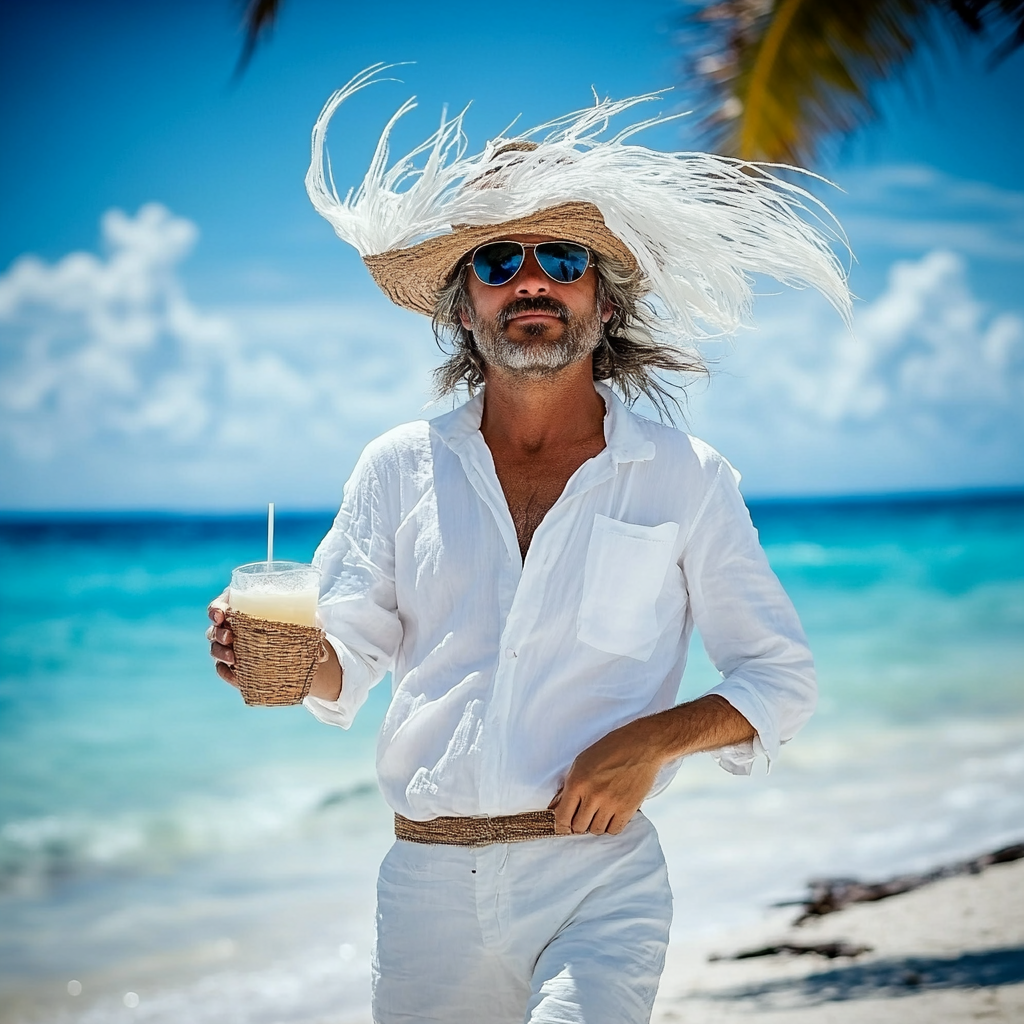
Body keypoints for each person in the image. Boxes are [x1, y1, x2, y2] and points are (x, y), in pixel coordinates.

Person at [207, 66, 851, 1024]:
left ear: (603, 301)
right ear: (464, 306)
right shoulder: (396, 469)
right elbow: (343, 667)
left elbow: (780, 679)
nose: (533, 279)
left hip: (601, 881)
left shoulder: (687, 477)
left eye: (562, 256)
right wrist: (282, 658)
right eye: (499, 261)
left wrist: (651, 740)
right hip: (425, 889)